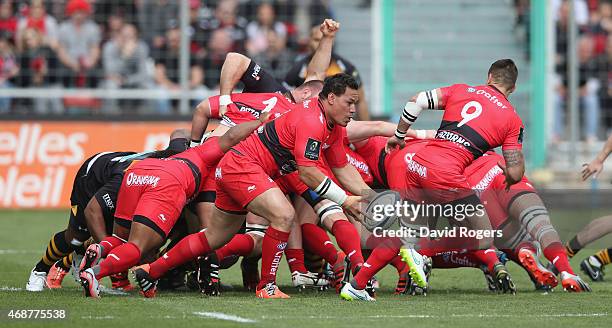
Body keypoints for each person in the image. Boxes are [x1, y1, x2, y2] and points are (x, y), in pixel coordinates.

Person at [132, 73, 369, 299]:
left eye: (354, 104)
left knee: (214, 237)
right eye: (349, 102)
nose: (353, 110)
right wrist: (344, 199)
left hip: (237, 167)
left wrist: (367, 196)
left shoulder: (332, 125)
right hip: (243, 167)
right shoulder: (312, 120)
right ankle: (266, 286)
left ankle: (150, 271)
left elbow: (341, 167)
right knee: (284, 215)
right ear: (330, 98)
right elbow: (307, 172)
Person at [370, 59, 526, 297]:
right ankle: (419, 252)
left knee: (418, 231)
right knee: (483, 237)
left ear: (488, 77)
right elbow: (515, 172)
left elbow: (416, 101)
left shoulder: (461, 90)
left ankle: (394, 274)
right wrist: (510, 173)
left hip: (417, 163)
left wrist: (400, 135)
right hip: (445, 173)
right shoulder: (512, 120)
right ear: (513, 88)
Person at [78, 118, 269, 298]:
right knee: (137, 246)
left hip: (138, 172)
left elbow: (182, 132)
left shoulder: (191, 149)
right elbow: (232, 136)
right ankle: (94, 273)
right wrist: (260, 122)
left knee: (121, 238)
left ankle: (99, 248)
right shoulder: (209, 159)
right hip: (168, 181)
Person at [25, 130, 190, 292]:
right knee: (76, 237)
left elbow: (180, 132)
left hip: (136, 182)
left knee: (136, 236)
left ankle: (83, 257)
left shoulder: (181, 159)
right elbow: (92, 211)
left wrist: (195, 142)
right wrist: (107, 253)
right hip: (94, 177)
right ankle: (40, 270)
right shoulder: (126, 179)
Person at [285, 24, 370, 120]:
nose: (321, 43)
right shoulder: (297, 69)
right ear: (309, 42)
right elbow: (285, 100)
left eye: (323, 39)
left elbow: (361, 100)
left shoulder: (346, 68)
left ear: (332, 42)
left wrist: (366, 134)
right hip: (307, 121)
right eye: (317, 40)